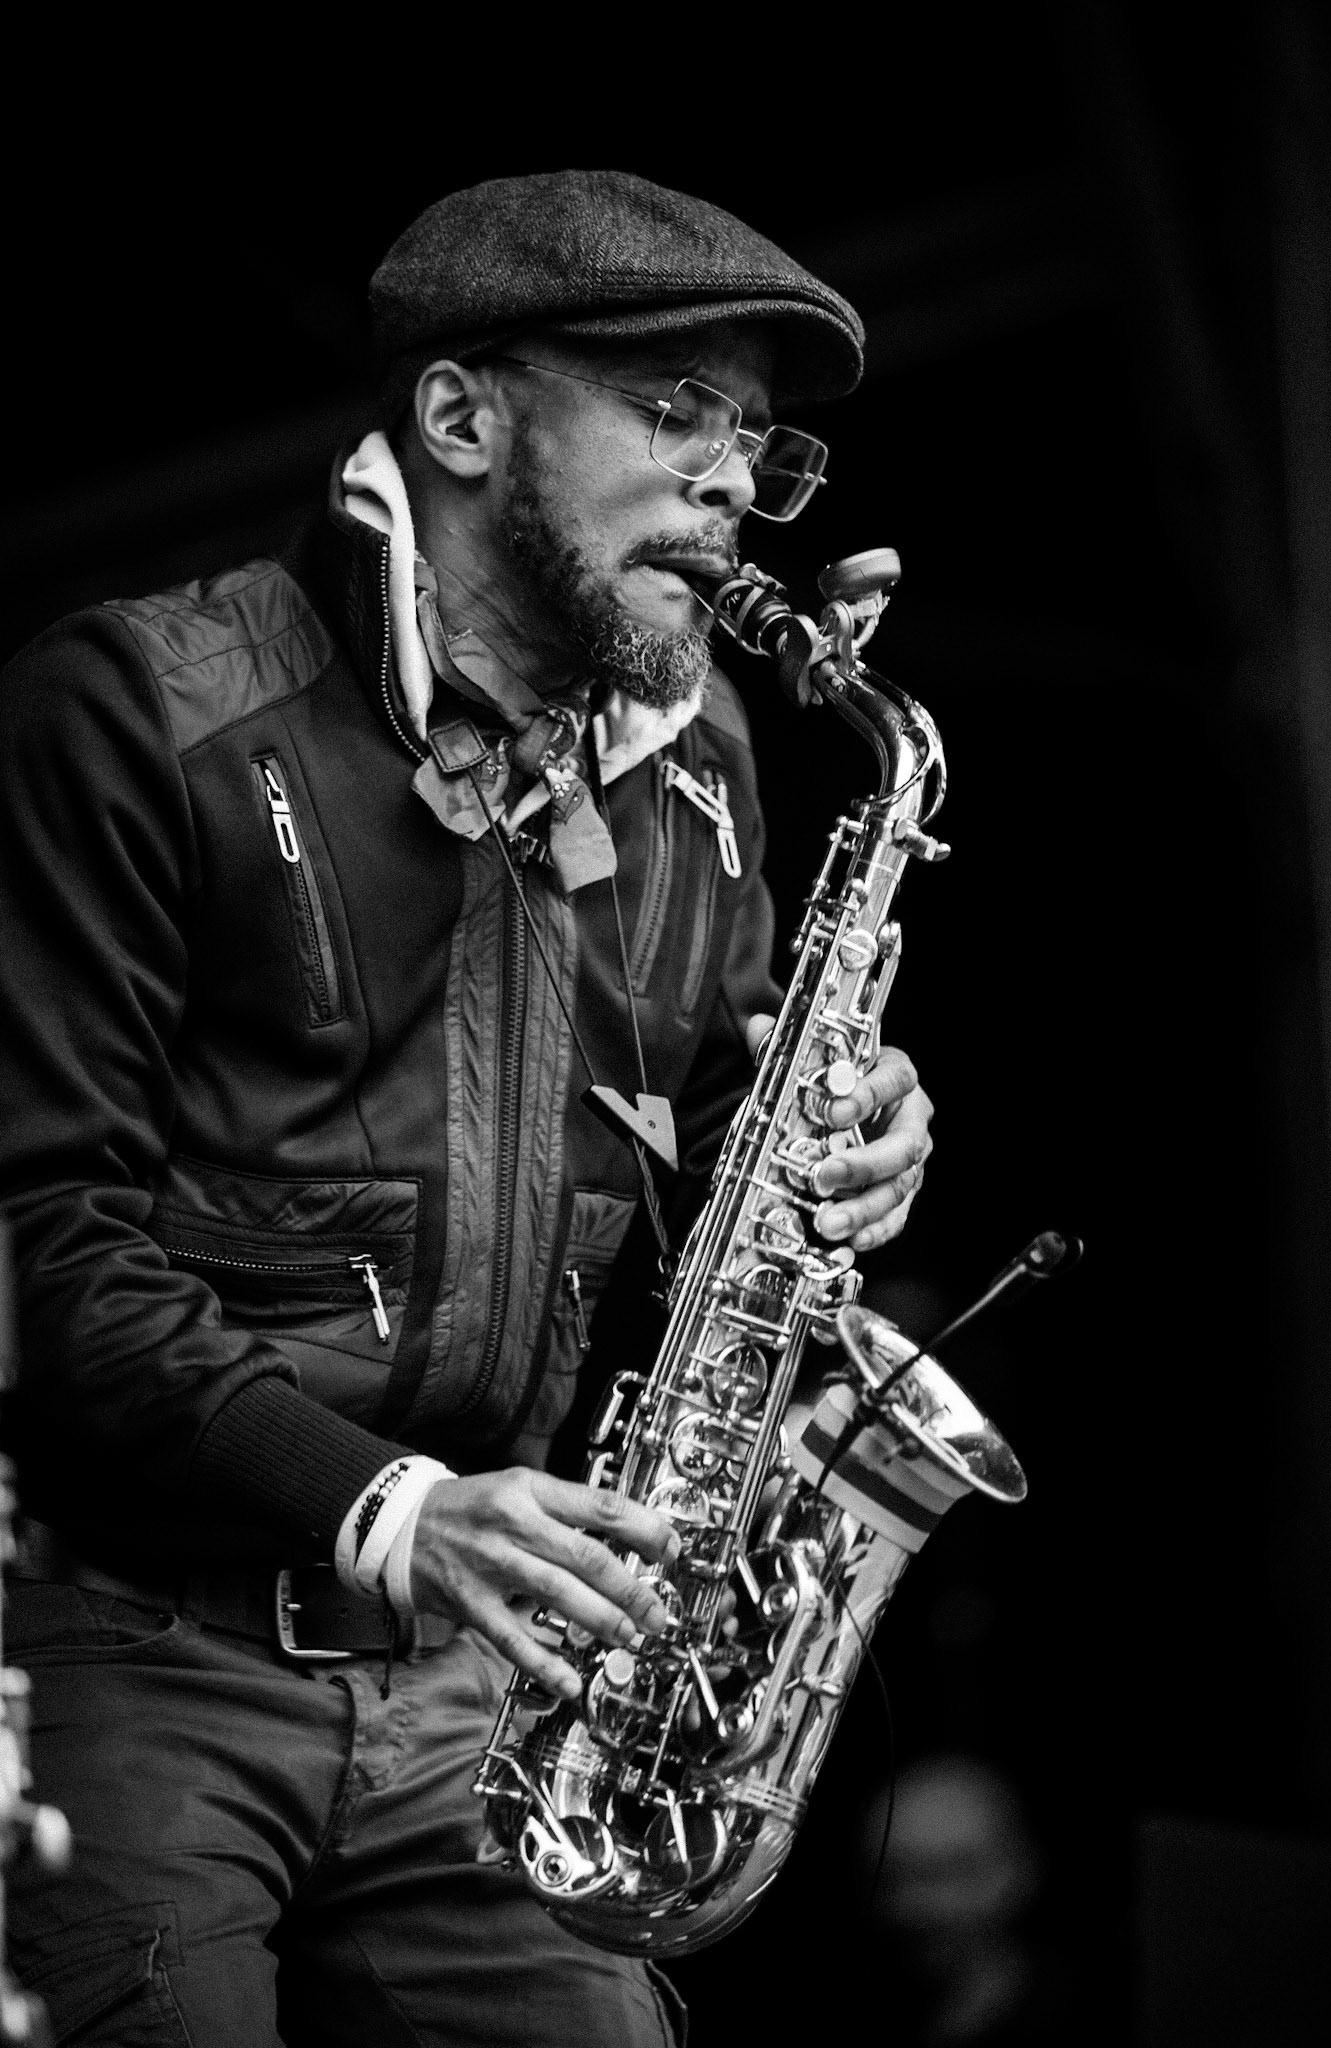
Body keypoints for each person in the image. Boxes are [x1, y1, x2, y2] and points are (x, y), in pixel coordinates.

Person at [0, 169, 934, 2046]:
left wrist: (843, 1148)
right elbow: (34, 1249)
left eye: (756, 439)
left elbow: (703, 1151)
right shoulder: (132, 708)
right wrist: (387, 1506)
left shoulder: (711, 778)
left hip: (498, 1688)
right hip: (131, 1650)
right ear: (458, 416)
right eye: (674, 411)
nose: (734, 481)